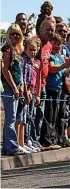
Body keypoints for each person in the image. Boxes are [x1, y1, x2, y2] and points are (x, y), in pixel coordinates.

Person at [1, 23, 25, 155]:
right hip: (8, 86)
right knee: (11, 118)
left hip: (16, 86)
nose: (15, 36)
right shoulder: (6, 49)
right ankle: (12, 147)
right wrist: (14, 87)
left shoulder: (17, 50)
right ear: (8, 35)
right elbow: (5, 70)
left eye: (17, 33)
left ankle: (7, 147)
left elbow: (18, 71)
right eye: (13, 33)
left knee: (13, 117)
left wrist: (20, 85)